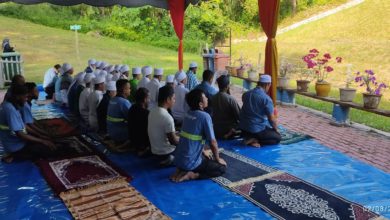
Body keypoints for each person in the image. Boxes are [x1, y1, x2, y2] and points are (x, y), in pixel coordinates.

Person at [171, 89, 226, 182]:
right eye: (205, 97)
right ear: (200, 104)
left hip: (178, 159)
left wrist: (203, 151)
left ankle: (181, 170)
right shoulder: (205, 116)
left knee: (204, 157)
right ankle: (192, 175)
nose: (207, 98)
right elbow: (213, 142)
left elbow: (192, 137)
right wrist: (218, 159)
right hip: (190, 162)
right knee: (221, 168)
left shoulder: (188, 114)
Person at [0, 84, 55, 163]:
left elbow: (24, 125)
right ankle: (12, 156)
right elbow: (20, 134)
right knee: (48, 151)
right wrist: (42, 140)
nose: (26, 100)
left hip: (16, 141)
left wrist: (41, 135)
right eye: (25, 97)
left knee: (45, 142)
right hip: (16, 146)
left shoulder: (12, 105)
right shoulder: (10, 110)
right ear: (18, 96)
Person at [239, 75, 281, 147]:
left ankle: (250, 138)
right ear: (268, 84)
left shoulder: (246, 94)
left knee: (264, 127)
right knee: (277, 138)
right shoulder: (266, 99)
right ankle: (254, 140)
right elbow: (271, 119)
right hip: (255, 130)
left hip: (243, 129)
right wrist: (276, 130)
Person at [148, 85, 179, 166]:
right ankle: (169, 159)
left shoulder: (152, 111)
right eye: (174, 98)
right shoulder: (167, 117)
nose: (174, 101)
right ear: (168, 99)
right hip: (166, 153)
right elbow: (174, 142)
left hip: (154, 151)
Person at [128, 88, 151, 156]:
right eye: (148, 98)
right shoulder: (146, 113)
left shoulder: (131, 108)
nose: (149, 100)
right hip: (142, 144)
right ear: (145, 99)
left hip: (132, 140)